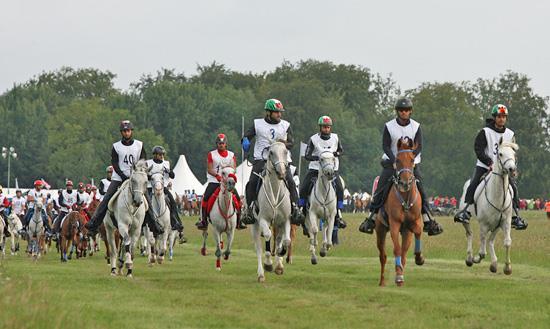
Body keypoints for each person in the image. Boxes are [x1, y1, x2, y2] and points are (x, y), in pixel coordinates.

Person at [359, 97, 443, 236]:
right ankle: (371, 218)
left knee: (421, 189)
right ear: (397, 111)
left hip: (410, 166)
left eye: (407, 110)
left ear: (410, 112)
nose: (404, 112)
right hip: (392, 165)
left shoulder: (416, 126)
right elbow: (385, 146)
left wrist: (410, 159)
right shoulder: (389, 126)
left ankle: (428, 219)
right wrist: (394, 160)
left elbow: (419, 146)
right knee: (381, 189)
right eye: (401, 110)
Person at [454, 104, 527, 230]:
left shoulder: (510, 134)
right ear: (494, 117)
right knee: (473, 183)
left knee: (513, 188)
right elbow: (478, 149)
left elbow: (513, 153)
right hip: (485, 165)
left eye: (504, 116)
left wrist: (513, 168)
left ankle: (516, 216)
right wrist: (489, 162)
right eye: (499, 116)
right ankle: (465, 211)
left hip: (503, 167)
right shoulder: (485, 132)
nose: (502, 119)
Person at [85, 120, 163, 235]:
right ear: (121, 132)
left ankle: (154, 225)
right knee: (106, 198)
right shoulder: (116, 146)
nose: (127, 133)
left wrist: (138, 174)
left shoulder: (139, 145)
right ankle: (93, 225)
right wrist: (123, 176)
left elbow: (143, 161)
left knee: (146, 200)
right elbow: (115, 164)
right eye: (124, 131)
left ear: (131, 131)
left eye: (128, 131)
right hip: (119, 177)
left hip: (136, 177)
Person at [241, 99, 304, 225]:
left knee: (291, 181)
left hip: (280, 159)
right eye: (276, 112)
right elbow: (246, 137)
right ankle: (249, 209)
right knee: (252, 182)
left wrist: (284, 143)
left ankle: (295, 208)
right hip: (262, 158)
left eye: (280, 112)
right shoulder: (257, 124)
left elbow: (291, 143)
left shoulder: (285, 125)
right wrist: (245, 142)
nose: (279, 115)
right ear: (268, 112)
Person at [298, 115, 347, 229]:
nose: (326, 129)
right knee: (304, 187)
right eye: (324, 127)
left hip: (332, 169)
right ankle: (300, 210)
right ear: (320, 127)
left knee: (339, 187)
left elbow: (341, 150)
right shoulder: (313, 139)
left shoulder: (335, 138)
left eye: (328, 127)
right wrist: (317, 158)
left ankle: (338, 214)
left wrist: (336, 154)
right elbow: (307, 155)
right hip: (316, 169)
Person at [196, 133, 246, 230]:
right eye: (219, 143)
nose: (221, 145)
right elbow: (209, 169)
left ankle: (239, 221)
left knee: (237, 198)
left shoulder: (231, 155)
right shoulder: (211, 154)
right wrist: (217, 176)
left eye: (223, 143)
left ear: (226, 144)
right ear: (217, 144)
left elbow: (234, 168)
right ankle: (203, 220)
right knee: (206, 197)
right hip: (214, 181)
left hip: (227, 181)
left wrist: (229, 177)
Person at [145, 145, 185, 240]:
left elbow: (172, 176)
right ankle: (143, 223)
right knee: (146, 204)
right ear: (154, 155)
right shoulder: (148, 163)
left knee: (173, 203)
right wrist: (150, 176)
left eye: (162, 154)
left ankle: (176, 222)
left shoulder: (166, 163)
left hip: (163, 188)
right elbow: (145, 176)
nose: (161, 156)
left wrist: (169, 171)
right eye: (159, 154)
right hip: (151, 187)